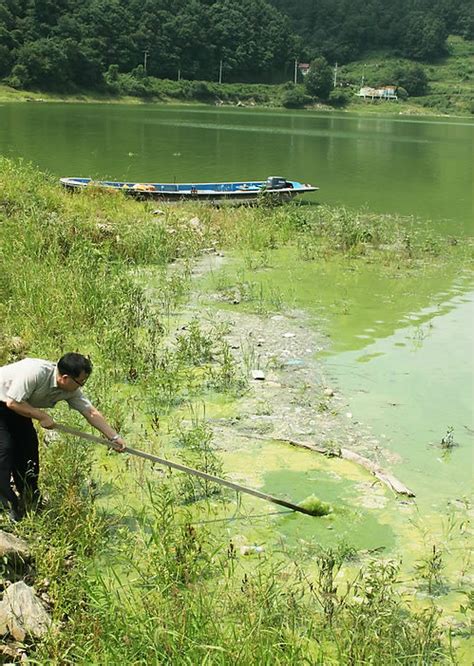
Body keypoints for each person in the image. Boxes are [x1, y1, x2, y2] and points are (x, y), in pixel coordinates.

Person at [0, 352, 126, 521]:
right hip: (5, 401)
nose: (81, 387)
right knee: (5, 450)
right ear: (65, 378)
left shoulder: (71, 389)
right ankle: (7, 505)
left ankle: (30, 498)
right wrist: (42, 416)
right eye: (80, 382)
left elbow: (90, 412)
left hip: (20, 406)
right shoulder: (34, 372)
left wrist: (113, 437)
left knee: (28, 450)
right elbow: (12, 402)